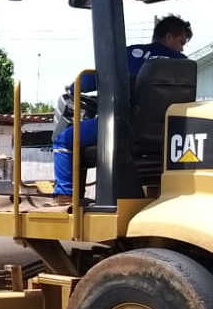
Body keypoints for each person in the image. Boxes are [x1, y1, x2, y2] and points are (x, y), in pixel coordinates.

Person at [50, 15, 192, 196]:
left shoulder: (132, 53)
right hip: (169, 135)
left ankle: (64, 195)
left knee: (63, 139)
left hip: (123, 127)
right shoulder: (185, 64)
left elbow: (87, 81)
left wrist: (72, 88)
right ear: (169, 37)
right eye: (181, 42)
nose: (181, 48)